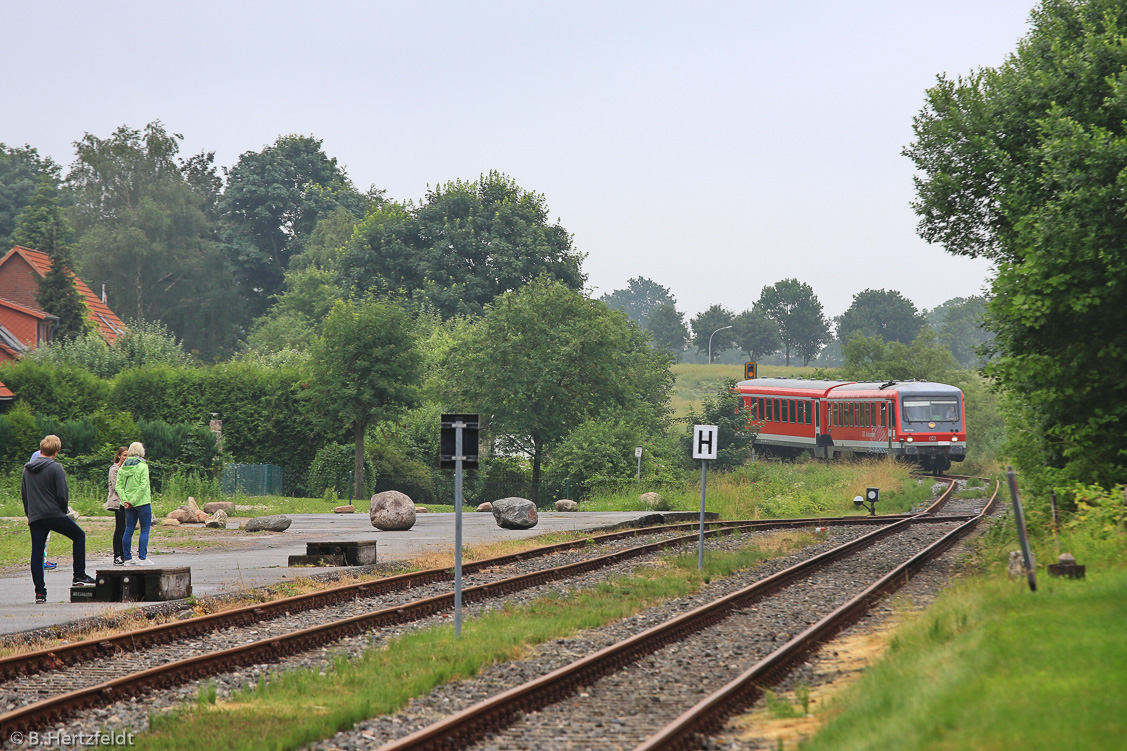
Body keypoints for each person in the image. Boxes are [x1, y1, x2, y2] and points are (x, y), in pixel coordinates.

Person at [22, 435, 96, 603]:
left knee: (37, 552)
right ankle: (79, 575)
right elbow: (62, 494)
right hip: (54, 514)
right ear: (55, 452)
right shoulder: (56, 468)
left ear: (41, 450)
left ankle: (40, 593)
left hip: (35, 516)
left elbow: (24, 494)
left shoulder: (27, 470)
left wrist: (29, 514)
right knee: (78, 536)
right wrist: (63, 510)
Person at [117, 442, 153, 566]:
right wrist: (133, 500)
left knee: (128, 530)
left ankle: (127, 558)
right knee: (145, 530)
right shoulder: (143, 466)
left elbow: (119, 486)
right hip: (142, 502)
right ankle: (142, 557)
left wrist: (126, 500)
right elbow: (143, 486)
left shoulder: (122, 468)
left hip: (128, 505)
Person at [105, 446, 128, 566]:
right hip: (117, 502)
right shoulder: (114, 469)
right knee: (119, 528)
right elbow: (116, 486)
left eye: (127, 455)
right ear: (119, 456)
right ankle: (117, 555)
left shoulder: (128, 469)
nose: (126, 458)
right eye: (124, 455)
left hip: (126, 502)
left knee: (126, 528)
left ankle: (125, 554)